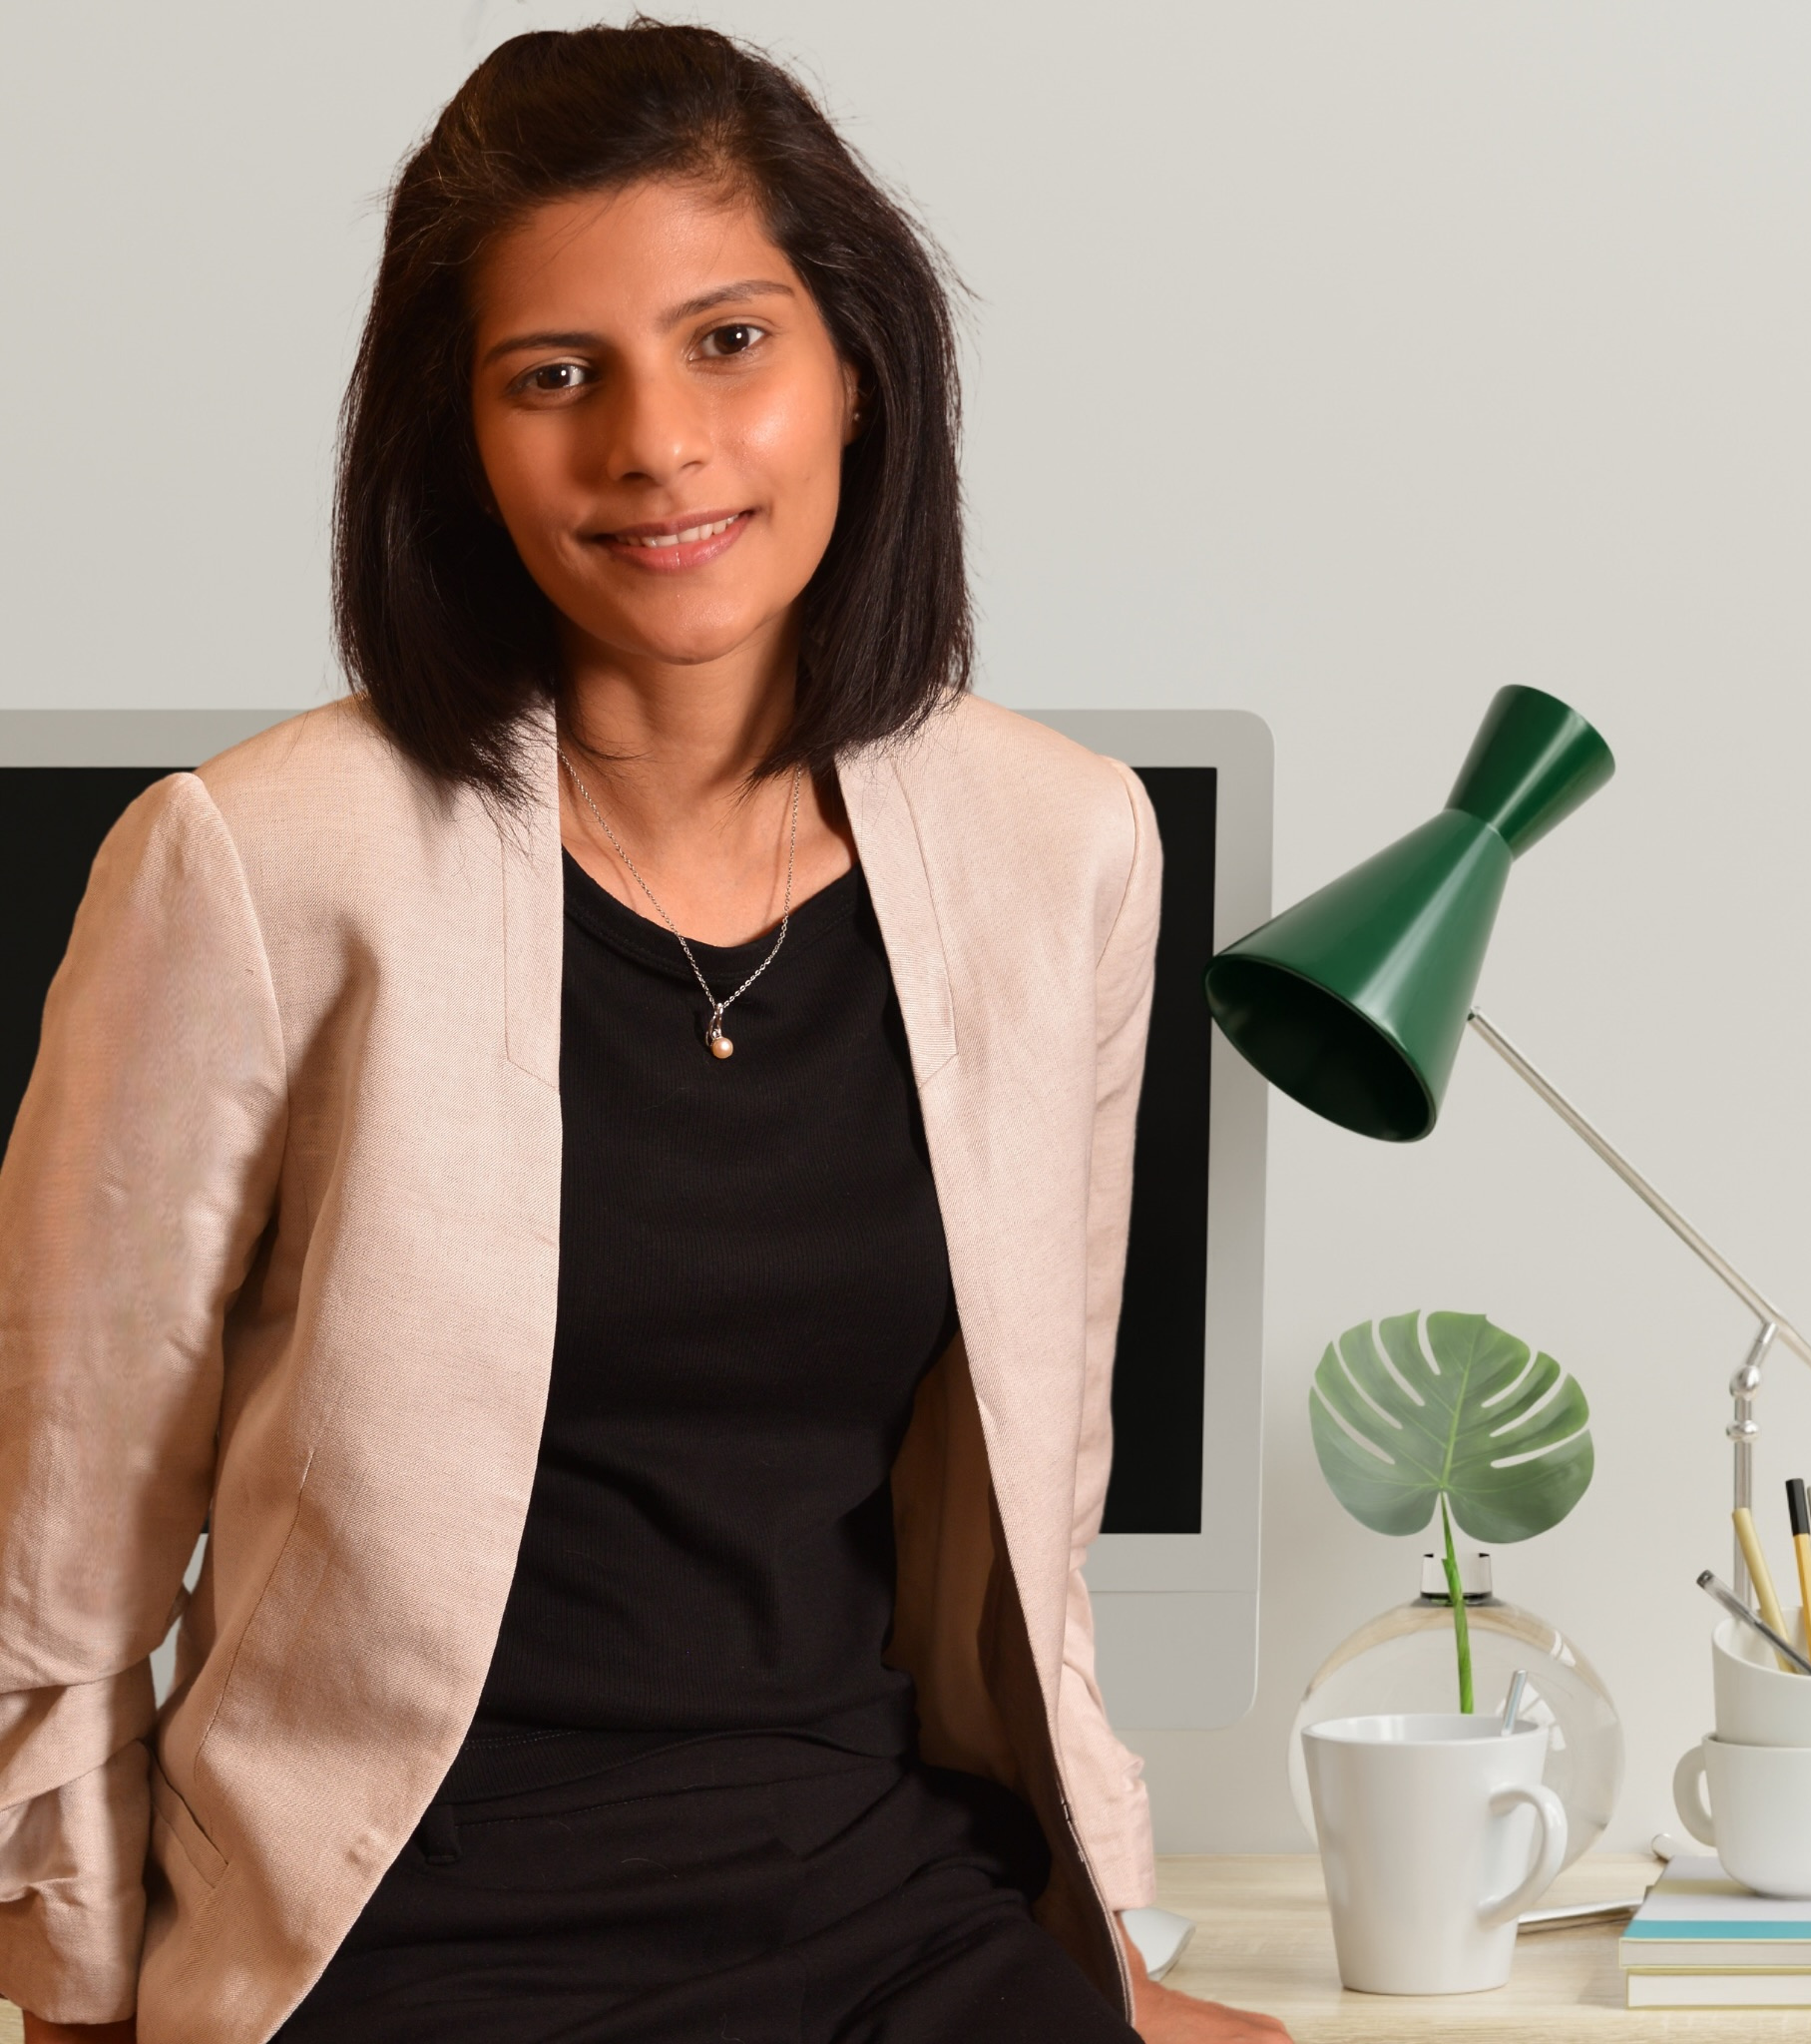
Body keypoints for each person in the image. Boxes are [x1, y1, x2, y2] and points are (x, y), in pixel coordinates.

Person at [0, 22, 1290, 2044]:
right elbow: (59, 1541)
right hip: (409, 1938)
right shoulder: (253, 866)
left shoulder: (1066, 850)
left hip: (882, 1902)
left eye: (725, 342)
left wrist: (1106, 1959)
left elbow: (1029, 1517)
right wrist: (74, 1999)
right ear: (457, 433)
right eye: (553, 376)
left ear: (853, 366)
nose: (655, 448)